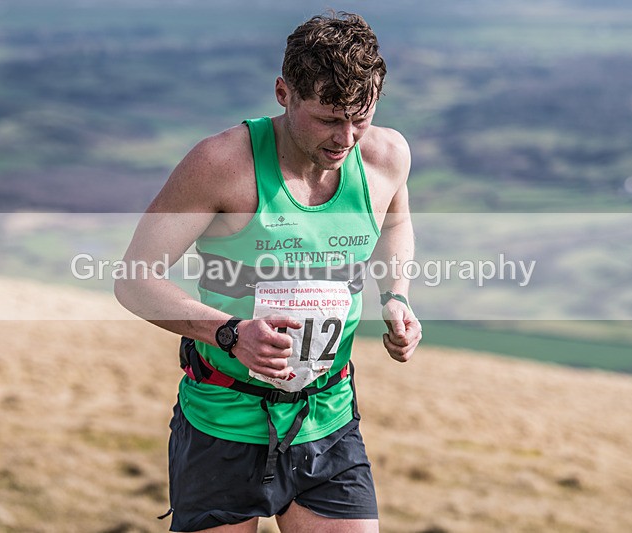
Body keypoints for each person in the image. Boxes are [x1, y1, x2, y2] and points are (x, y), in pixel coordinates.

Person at [115, 11, 421, 533]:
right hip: (223, 420)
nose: (346, 137)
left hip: (328, 418)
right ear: (284, 93)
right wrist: (229, 334)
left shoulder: (386, 156)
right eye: (328, 118)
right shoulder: (220, 165)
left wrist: (396, 296)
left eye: (359, 117)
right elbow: (134, 280)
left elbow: (395, 221)